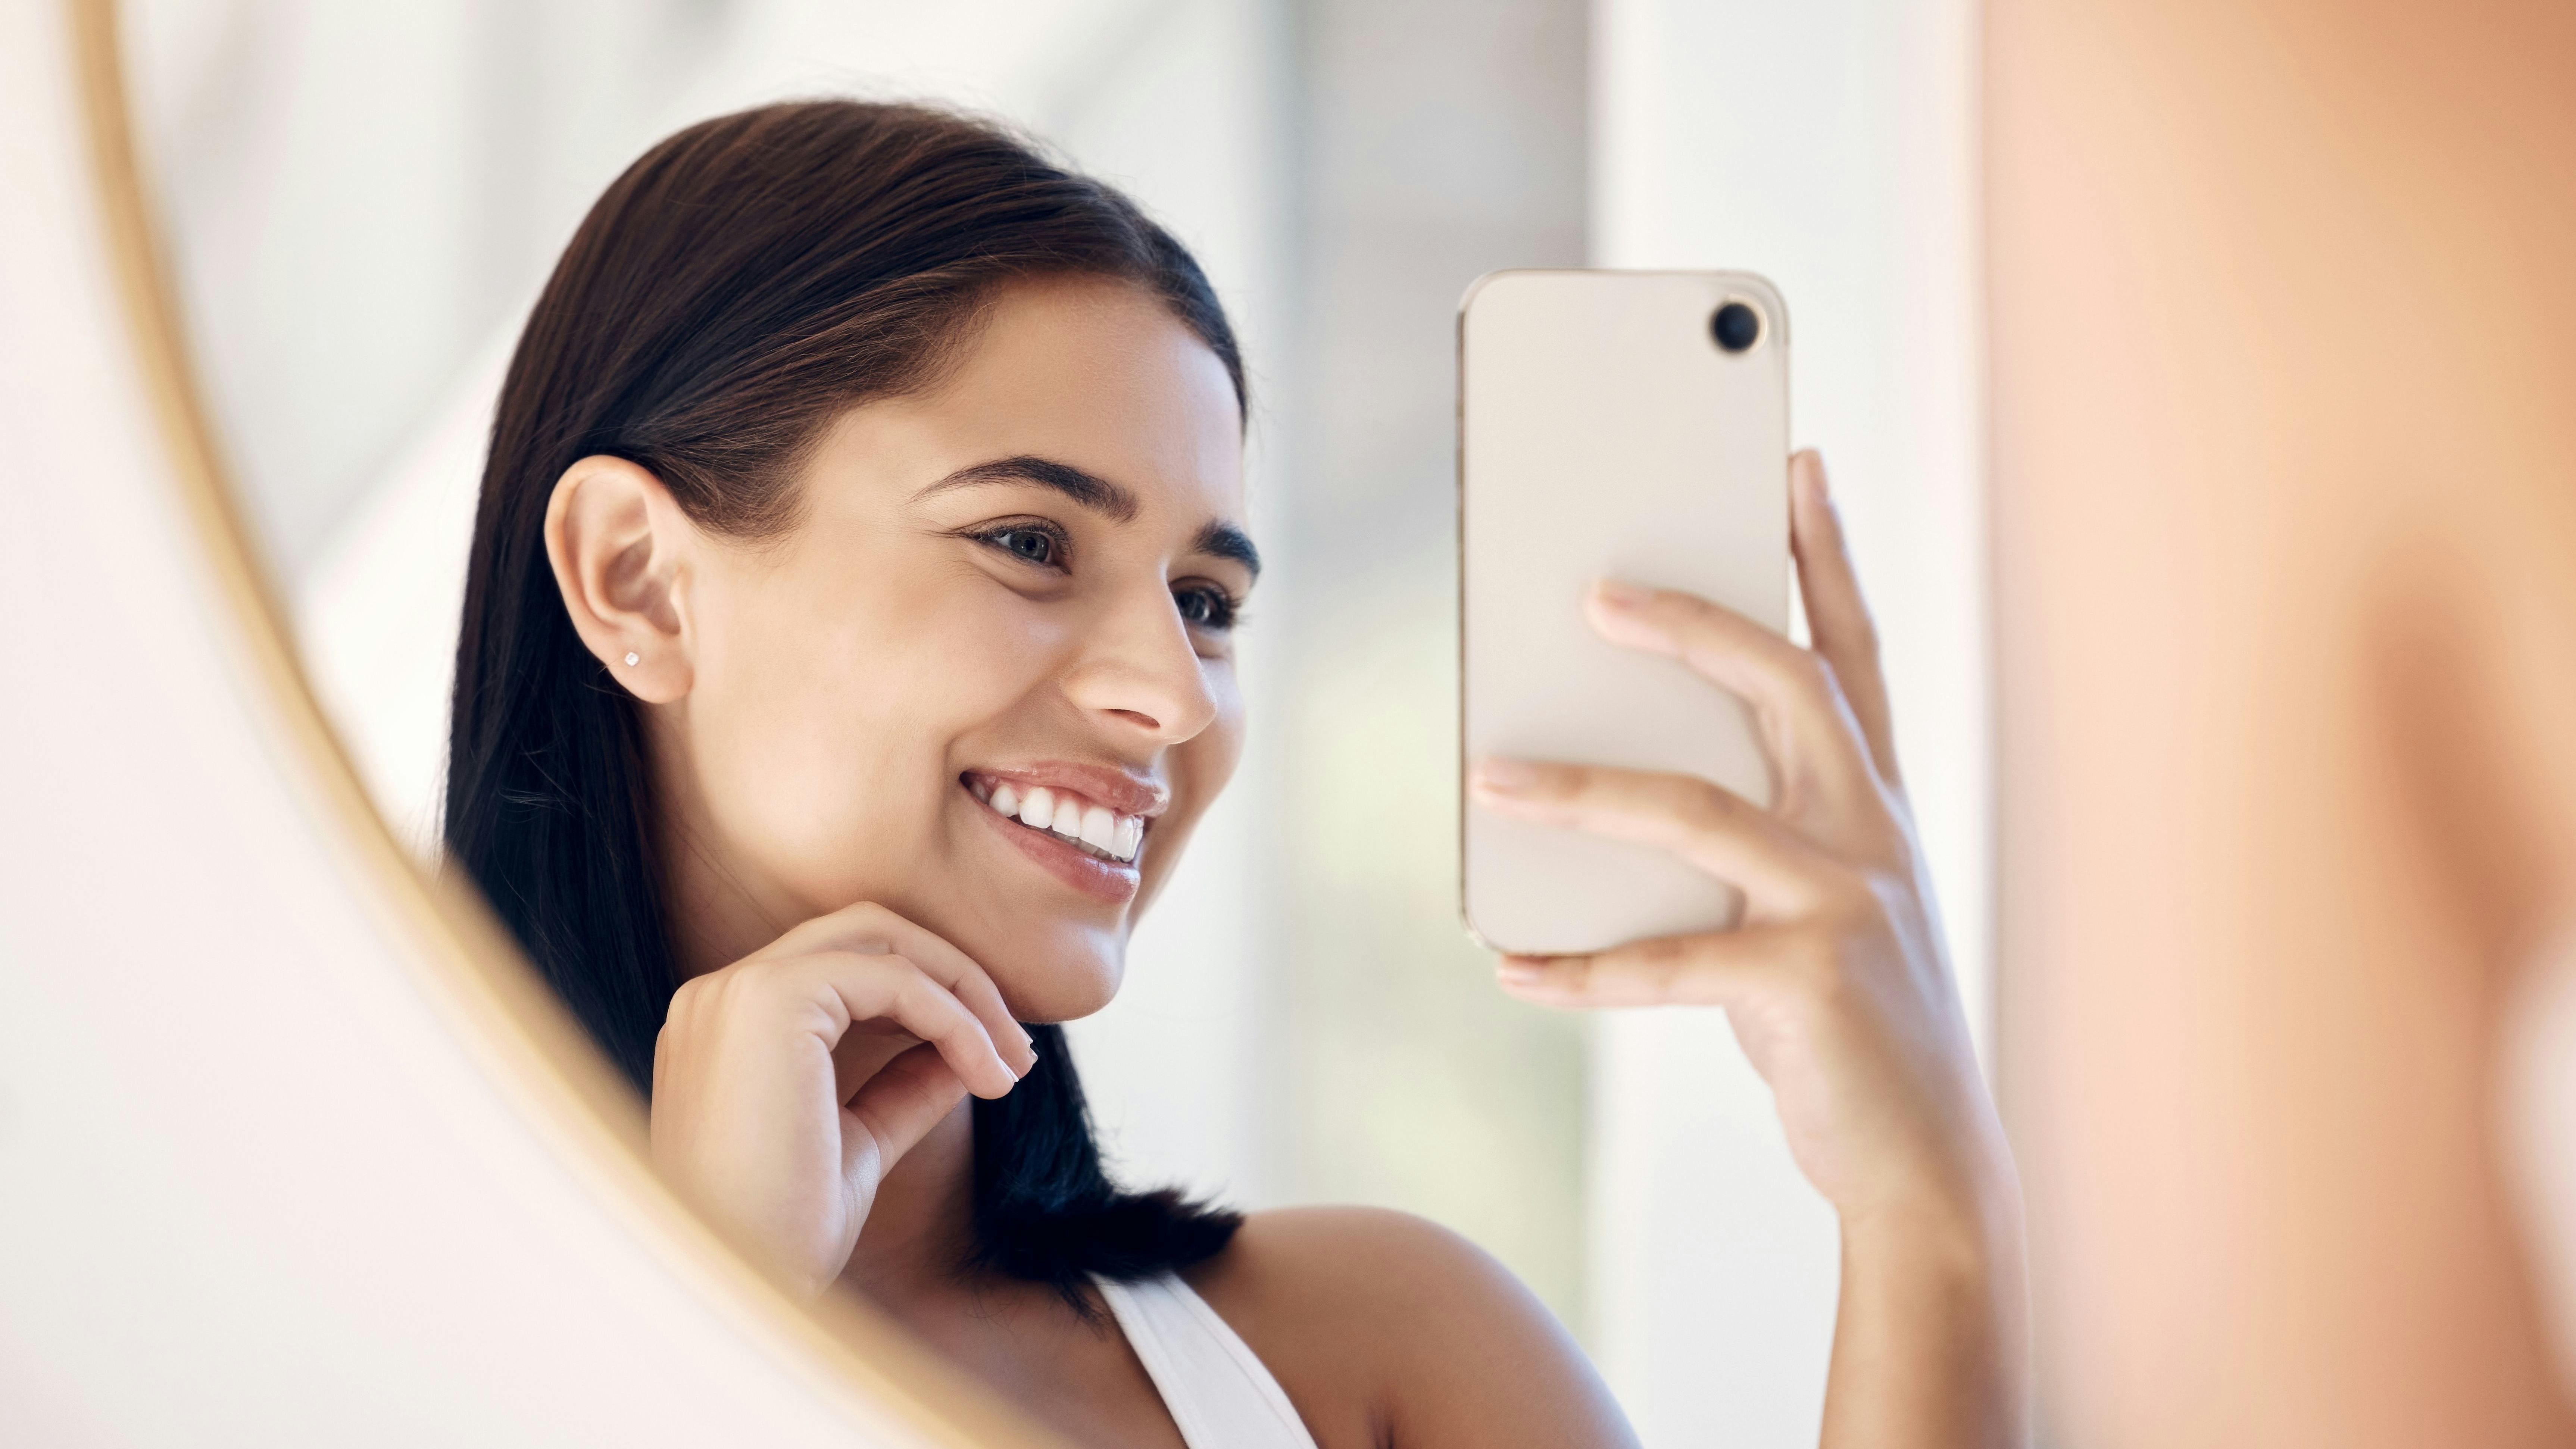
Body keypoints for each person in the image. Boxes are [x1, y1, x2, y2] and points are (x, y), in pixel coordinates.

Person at [445, 99, 2027, 1448]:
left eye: (1205, 600)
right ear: (638, 580)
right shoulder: (322, 1329)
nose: (1169, 696)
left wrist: (1929, 1220)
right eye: (1027, 541)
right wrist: (697, 1293)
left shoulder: (1382, 1356)